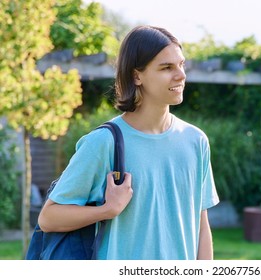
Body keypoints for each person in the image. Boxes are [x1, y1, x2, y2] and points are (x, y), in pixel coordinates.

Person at [38, 25, 220, 260]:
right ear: (137, 75)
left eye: (181, 64)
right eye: (166, 67)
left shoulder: (196, 141)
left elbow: (200, 224)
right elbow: (48, 218)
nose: (181, 75)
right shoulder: (103, 143)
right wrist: (108, 210)